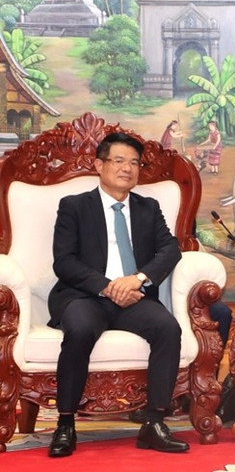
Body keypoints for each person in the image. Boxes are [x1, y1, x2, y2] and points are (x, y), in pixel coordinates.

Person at [47, 133, 189, 457]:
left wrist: (137, 280)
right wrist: (109, 287)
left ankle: (154, 423)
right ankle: (65, 424)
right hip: (85, 296)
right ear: (99, 165)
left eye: (134, 163)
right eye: (119, 161)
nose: (127, 168)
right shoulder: (74, 206)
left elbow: (170, 250)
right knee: (80, 328)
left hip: (134, 298)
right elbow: (64, 262)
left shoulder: (148, 208)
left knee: (168, 328)